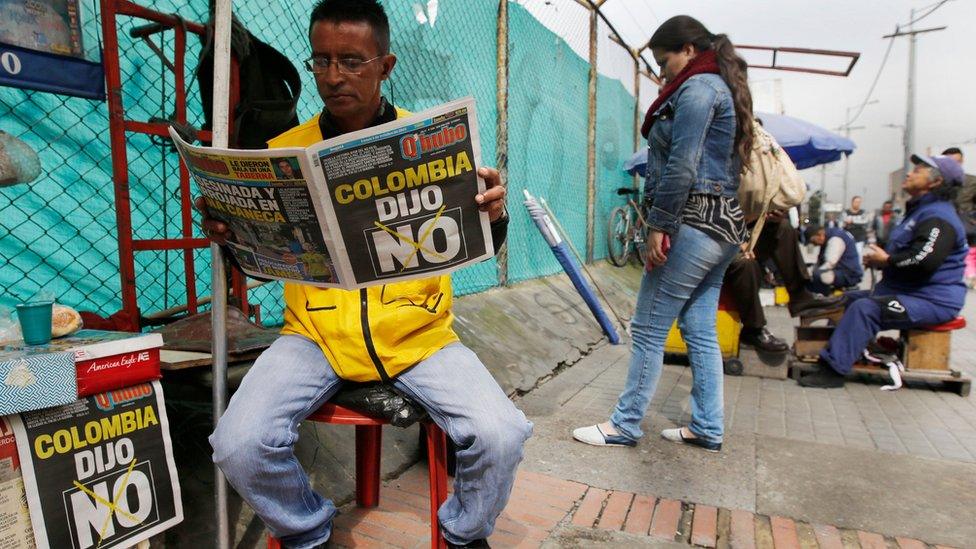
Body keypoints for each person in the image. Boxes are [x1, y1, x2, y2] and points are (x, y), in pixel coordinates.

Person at [201, 2, 532, 547]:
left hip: (418, 338)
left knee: (501, 434)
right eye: (321, 61)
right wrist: (234, 233)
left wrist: (494, 214)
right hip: (313, 338)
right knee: (238, 442)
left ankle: (463, 534)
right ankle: (308, 531)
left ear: (386, 65)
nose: (333, 77)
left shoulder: (429, 141)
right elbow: (260, 262)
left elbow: (480, 243)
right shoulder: (284, 151)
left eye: (352, 61)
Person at [572, 15, 752, 453]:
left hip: (693, 222)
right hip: (724, 226)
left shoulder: (697, 89)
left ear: (689, 50)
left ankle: (625, 424)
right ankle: (708, 427)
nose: (660, 70)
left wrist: (659, 225)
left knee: (649, 327)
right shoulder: (718, 87)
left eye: (663, 59)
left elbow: (683, 165)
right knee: (699, 328)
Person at [799, 153, 968, 388]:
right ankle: (844, 350)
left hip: (933, 300)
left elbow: (924, 260)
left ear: (936, 182)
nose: (910, 173)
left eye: (918, 170)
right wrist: (882, 261)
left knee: (865, 309)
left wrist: (887, 260)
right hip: (909, 292)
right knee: (847, 299)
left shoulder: (939, 216)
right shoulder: (920, 211)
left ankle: (833, 370)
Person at [725, 211, 843, 352]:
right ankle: (753, 329)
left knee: (782, 227)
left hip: (740, 230)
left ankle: (800, 297)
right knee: (745, 263)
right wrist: (735, 239)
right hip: (716, 237)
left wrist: (768, 213)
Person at [943, 147, 976, 287]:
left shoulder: (972, 181)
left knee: (968, 252)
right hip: (942, 224)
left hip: (966, 225)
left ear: (962, 161)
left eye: (956, 161)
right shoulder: (937, 182)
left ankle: (970, 276)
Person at [805, 223, 863, 294]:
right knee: (814, 274)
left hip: (849, 274)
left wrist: (812, 273)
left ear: (820, 235)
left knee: (819, 276)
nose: (814, 244)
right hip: (842, 270)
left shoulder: (835, 239)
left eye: (813, 241)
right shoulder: (828, 236)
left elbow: (830, 263)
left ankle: (824, 300)